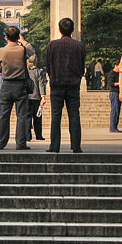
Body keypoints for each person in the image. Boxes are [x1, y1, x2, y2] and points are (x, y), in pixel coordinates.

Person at [44, 18, 86, 153]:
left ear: (59, 29)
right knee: (74, 115)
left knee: (56, 116)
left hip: (57, 85)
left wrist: (52, 77)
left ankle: (54, 146)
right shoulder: (79, 46)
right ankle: (76, 145)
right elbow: (81, 66)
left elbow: (48, 65)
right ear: (73, 30)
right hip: (73, 85)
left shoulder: (52, 45)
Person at [0, 27, 35, 150]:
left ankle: (1, 142)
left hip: (6, 84)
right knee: (22, 115)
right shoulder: (22, 49)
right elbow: (33, 55)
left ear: (6, 37)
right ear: (18, 37)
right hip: (20, 85)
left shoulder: (1, 51)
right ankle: (20, 143)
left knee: (3, 115)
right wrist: (24, 42)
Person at [26, 55, 47, 141]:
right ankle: (38, 135)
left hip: (27, 96)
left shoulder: (25, 71)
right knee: (37, 117)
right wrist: (43, 96)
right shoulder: (38, 71)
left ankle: (27, 136)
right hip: (36, 96)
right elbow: (41, 84)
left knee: (27, 117)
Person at [106, 61, 122, 133]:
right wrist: (120, 83)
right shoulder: (111, 73)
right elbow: (110, 83)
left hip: (118, 92)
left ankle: (115, 126)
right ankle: (112, 127)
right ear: (116, 65)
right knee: (114, 110)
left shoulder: (120, 74)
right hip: (114, 93)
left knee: (117, 110)